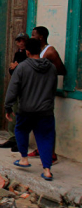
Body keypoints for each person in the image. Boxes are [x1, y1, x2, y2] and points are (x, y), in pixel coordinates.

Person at [5, 38, 57, 181]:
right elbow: (53, 90)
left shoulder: (22, 67)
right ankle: (47, 170)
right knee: (46, 138)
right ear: (40, 50)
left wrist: (8, 106)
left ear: (27, 52)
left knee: (21, 130)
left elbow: (13, 89)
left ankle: (24, 159)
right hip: (45, 111)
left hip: (26, 109)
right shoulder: (51, 68)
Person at [27, 26, 66, 163]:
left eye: (33, 35)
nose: (31, 37)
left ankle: (52, 154)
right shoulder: (36, 51)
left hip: (45, 92)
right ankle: (40, 148)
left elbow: (61, 70)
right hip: (35, 91)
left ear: (41, 37)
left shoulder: (50, 51)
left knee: (47, 123)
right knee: (36, 122)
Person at [0, 33, 29, 152]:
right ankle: (13, 138)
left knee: (22, 115)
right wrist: (13, 68)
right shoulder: (18, 54)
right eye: (19, 41)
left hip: (26, 89)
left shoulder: (30, 54)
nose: (21, 43)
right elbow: (13, 71)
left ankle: (21, 140)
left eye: (23, 40)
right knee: (13, 112)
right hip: (17, 87)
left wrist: (18, 67)